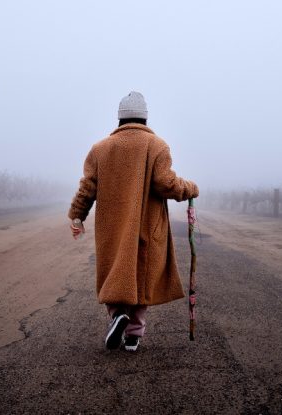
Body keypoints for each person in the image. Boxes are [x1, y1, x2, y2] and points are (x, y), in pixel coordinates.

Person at [68, 91, 199, 352]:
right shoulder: (157, 146)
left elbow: (87, 188)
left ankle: (117, 315)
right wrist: (190, 188)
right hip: (146, 226)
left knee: (114, 273)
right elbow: (167, 184)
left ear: (119, 119)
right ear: (145, 118)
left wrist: (76, 215)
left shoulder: (99, 149)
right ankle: (133, 335)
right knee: (141, 276)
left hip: (111, 228)